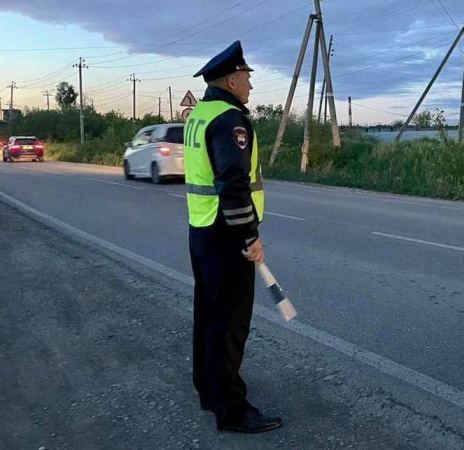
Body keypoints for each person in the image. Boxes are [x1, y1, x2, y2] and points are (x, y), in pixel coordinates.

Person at [185, 40, 281, 433]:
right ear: (230, 80)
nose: (250, 86)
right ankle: (232, 410)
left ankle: (209, 389)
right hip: (226, 235)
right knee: (229, 323)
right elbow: (233, 182)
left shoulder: (200, 115)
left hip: (202, 230)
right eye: (246, 78)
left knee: (208, 315)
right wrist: (249, 237)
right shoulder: (230, 120)